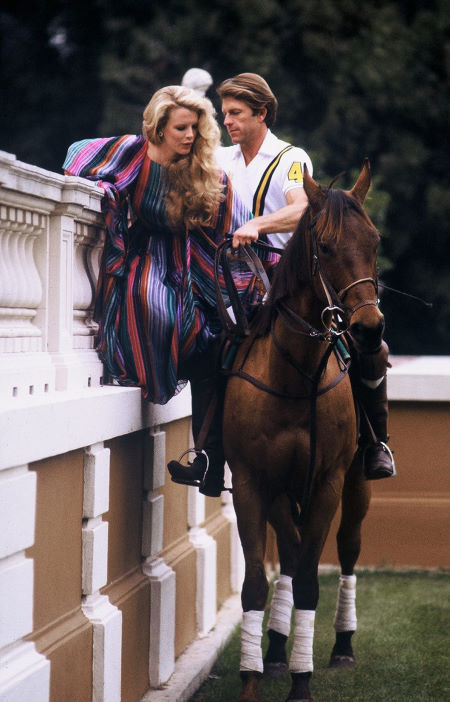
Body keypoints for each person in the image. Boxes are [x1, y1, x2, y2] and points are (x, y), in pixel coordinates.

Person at [170, 72, 395, 487]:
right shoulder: (221, 159)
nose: (228, 121)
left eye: (236, 113)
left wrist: (258, 225)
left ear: (262, 113)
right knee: (206, 345)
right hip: (232, 281)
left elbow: (302, 209)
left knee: (371, 348)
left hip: (289, 281)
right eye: (225, 114)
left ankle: (375, 442)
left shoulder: (291, 158)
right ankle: (209, 455)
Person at [63, 85, 277, 497]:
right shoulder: (131, 154)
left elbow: (233, 217)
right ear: (157, 128)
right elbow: (77, 156)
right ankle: (199, 443)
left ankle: (209, 459)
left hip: (194, 259)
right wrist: (109, 191)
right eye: (181, 128)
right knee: (156, 306)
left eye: (195, 128)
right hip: (146, 256)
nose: (190, 136)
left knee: (216, 340)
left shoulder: (203, 171)